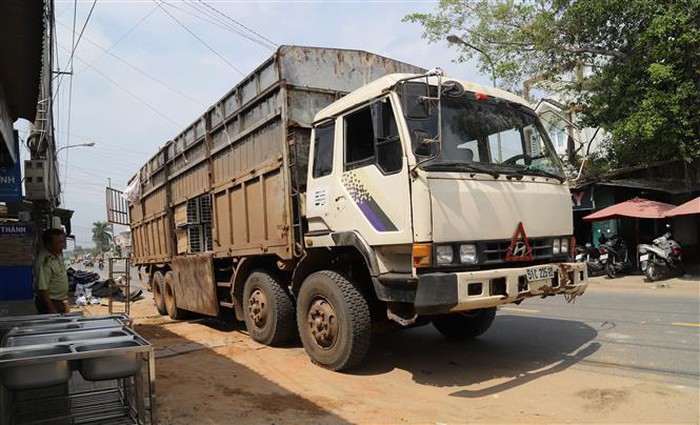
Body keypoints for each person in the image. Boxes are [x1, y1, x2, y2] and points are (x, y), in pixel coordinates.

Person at [34, 228, 70, 314]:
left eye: (63, 242)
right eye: (59, 243)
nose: (63, 246)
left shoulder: (57, 255)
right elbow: (43, 289)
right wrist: (51, 309)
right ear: (49, 244)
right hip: (51, 303)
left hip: (60, 301)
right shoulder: (45, 261)